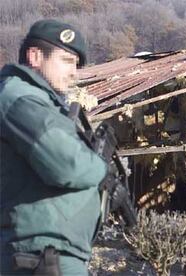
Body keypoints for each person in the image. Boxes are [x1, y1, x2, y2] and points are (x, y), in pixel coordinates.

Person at [0, 19, 108, 275]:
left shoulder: (35, 101)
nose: (74, 72)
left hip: (46, 254)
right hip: (41, 256)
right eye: (66, 60)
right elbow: (67, 165)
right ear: (35, 56)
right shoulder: (20, 98)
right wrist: (101, 166)